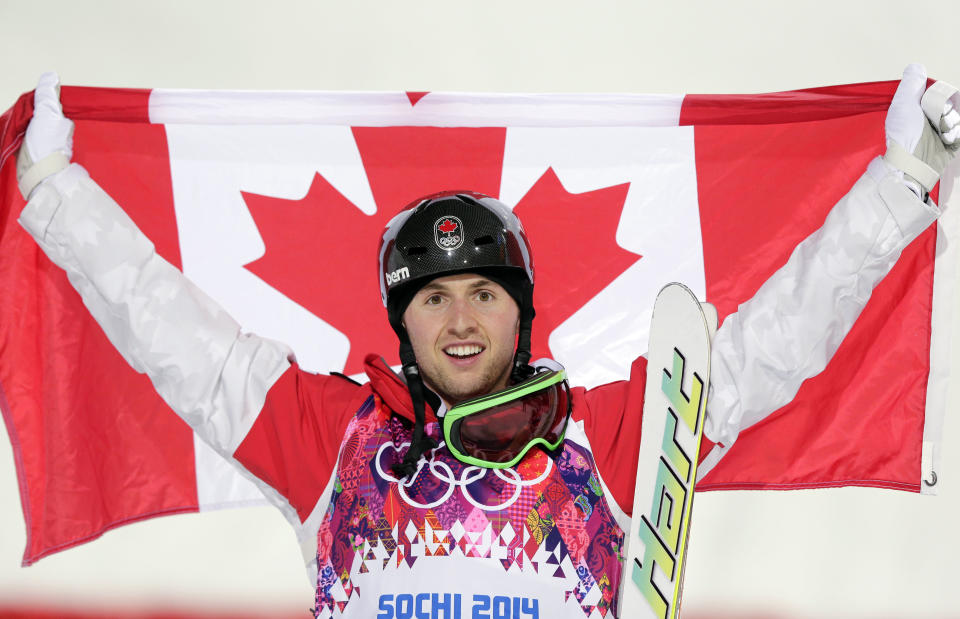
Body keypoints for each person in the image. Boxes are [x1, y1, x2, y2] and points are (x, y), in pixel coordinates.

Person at [13, 65, 959, 618]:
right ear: (400, 320)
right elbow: (167, 327)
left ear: (523, 312)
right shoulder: (325, 439)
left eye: (483, 293)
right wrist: (52, 191)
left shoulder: (613, 439)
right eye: (431, 299)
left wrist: (900, 185)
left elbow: (774, 343)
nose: (460, 319)